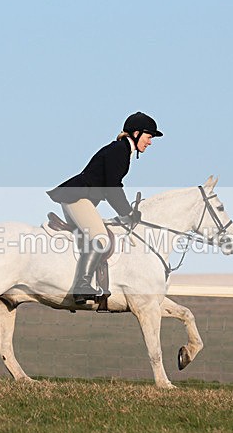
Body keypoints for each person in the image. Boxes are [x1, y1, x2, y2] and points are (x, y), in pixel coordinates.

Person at [47, 112, 163, 304]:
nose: (150, 142)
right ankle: (82, 286)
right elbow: (112, 188)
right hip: (77, 197)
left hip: (76, 197)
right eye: (149, 137)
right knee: (100, 237)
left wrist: (126, 212)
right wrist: (127, 213)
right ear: (136, 133)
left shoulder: (121, 150)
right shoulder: (120, 150)